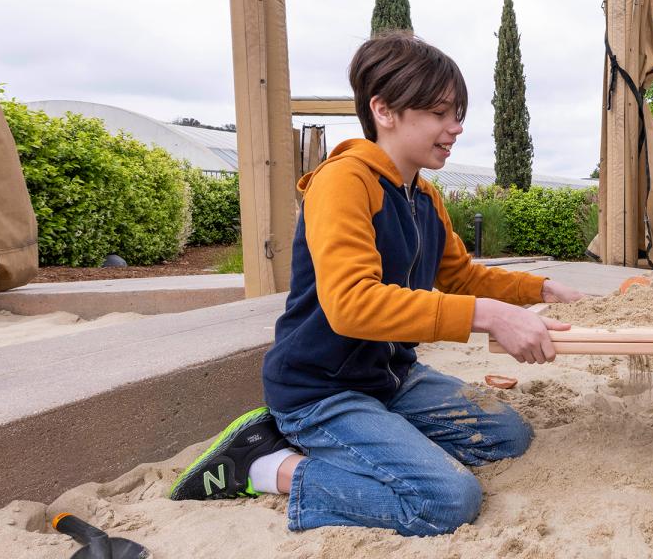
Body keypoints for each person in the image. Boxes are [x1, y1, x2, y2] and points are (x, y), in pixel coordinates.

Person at [168, 31, 584, 537]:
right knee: (448, 500)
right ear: (384, 110)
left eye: (458, 116)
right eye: (439, 113)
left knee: (507, 436)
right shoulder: (343, 182)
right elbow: (350, 305)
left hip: (391, 379)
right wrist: (489, 316)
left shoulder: (423, 197)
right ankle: (262, 465)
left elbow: (460, 275)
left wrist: (541, 290)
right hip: (321, 390)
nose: (454, 129)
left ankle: (380, 442)